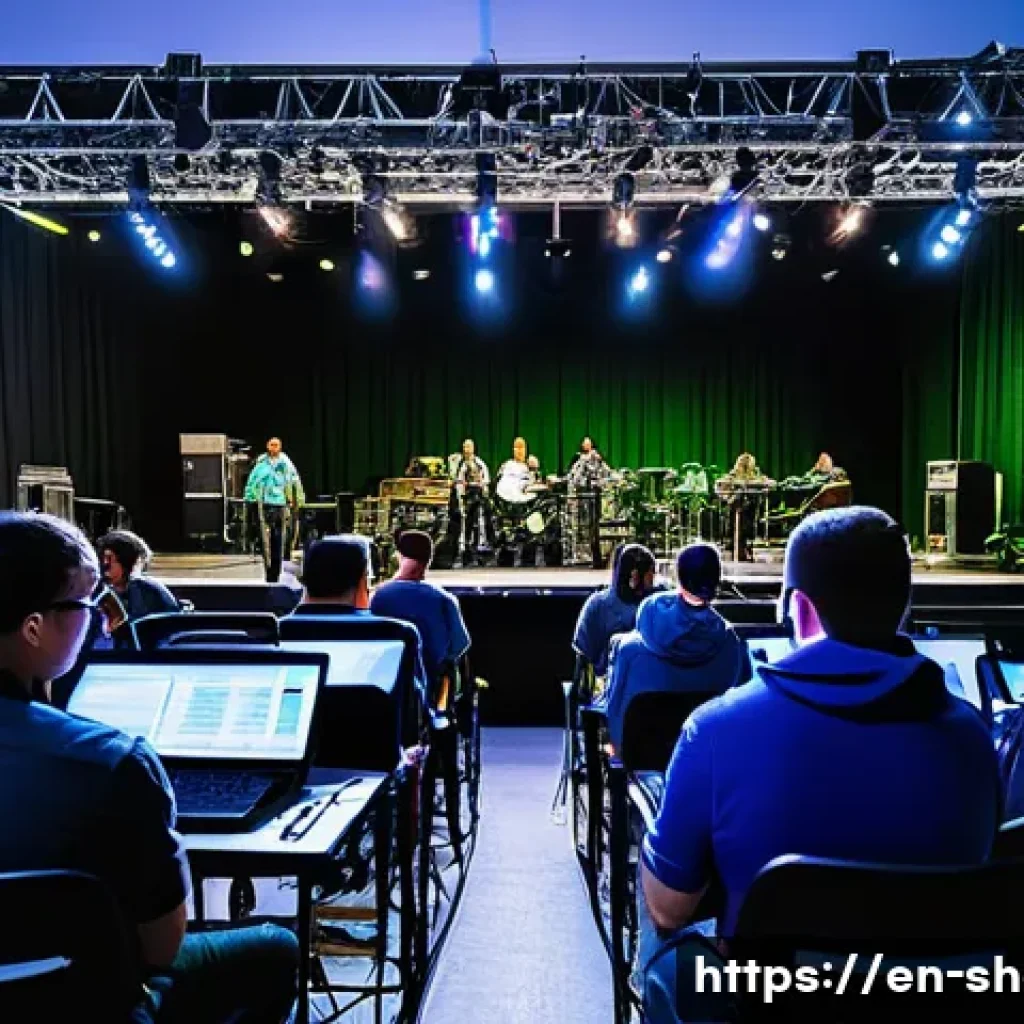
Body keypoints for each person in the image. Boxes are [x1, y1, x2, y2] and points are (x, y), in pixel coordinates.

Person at [638, 507, 1002, 1023]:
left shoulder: (715, 730)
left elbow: (669, 907)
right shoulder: (972, 738)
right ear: (903, 605)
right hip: (925, 1004)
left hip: (769, 1004)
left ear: (801, 611)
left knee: (662, 935)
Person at [0, 511, 298, 1023]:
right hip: (87, 1008)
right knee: (275, 947)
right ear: (33, 629)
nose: (98, 617)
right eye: (87, 605)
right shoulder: (113, 763)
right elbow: (161, 947)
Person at [600, 542, 745, 750]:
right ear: (717, 580)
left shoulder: (629, 652)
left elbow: (613, 715)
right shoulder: (733, 648)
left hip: (642, 758)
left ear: (679, 578)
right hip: (709, 757)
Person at [370, 529, 470, 685]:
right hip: (431, 682)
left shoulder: (378, 596)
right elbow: (461, 642)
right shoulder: (443, 599)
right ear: (428, 561)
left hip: (386, 679)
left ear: (399, 556)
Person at [572, 543, 658, 685]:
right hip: (608, 684)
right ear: (635, 575)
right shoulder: (599, 605)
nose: (654, 577)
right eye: (651, 572)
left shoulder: (659, 602)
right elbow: (584, 658)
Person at [244, 437, 305, 583]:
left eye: (277, 445)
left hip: (281, 505)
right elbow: (253, 481)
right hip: (265, 505)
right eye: (272, 445)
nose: (274, 447)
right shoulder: (261, 462)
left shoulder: (285, 463)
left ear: (280, 447)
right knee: (266, 542)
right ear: (267, 446)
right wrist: (250, 498)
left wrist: (299, 500)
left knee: (280, 539)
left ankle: (277, 572)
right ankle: (269, 572)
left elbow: (295, 480)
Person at [98, 530, 180, 640]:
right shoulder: (108, 590)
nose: (105, 564)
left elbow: (136, 633)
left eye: (110, 559)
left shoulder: (141, 587)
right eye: (103, 558)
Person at [453, 439, 492, 565]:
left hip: (477, 498)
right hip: (464, 498)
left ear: (473, 448)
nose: (467, 450)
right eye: (465, 447)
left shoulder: (480, 463)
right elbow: (458, 481)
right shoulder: (459, 464)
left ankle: (478, 551)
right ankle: (464, 552)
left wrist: (483, 493)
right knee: (465, 525)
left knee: (478, 524)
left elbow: (486, 481)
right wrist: (461, 498)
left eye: (469, 447)